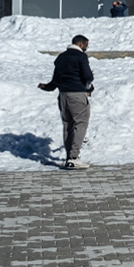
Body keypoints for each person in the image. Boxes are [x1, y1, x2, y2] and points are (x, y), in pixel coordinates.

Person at [38, 35, 94, 169]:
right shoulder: (81, 57)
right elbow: (87, 77)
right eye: (86, 45)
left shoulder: (61, 57)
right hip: (77, 95)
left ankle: (69, 157)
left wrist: (47, 87)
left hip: (63, 95)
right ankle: (74, 157)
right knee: (80, 123)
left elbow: (56, 80)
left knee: (67, 125)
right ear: (81, 44)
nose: (87, 47)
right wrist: (90, 82)